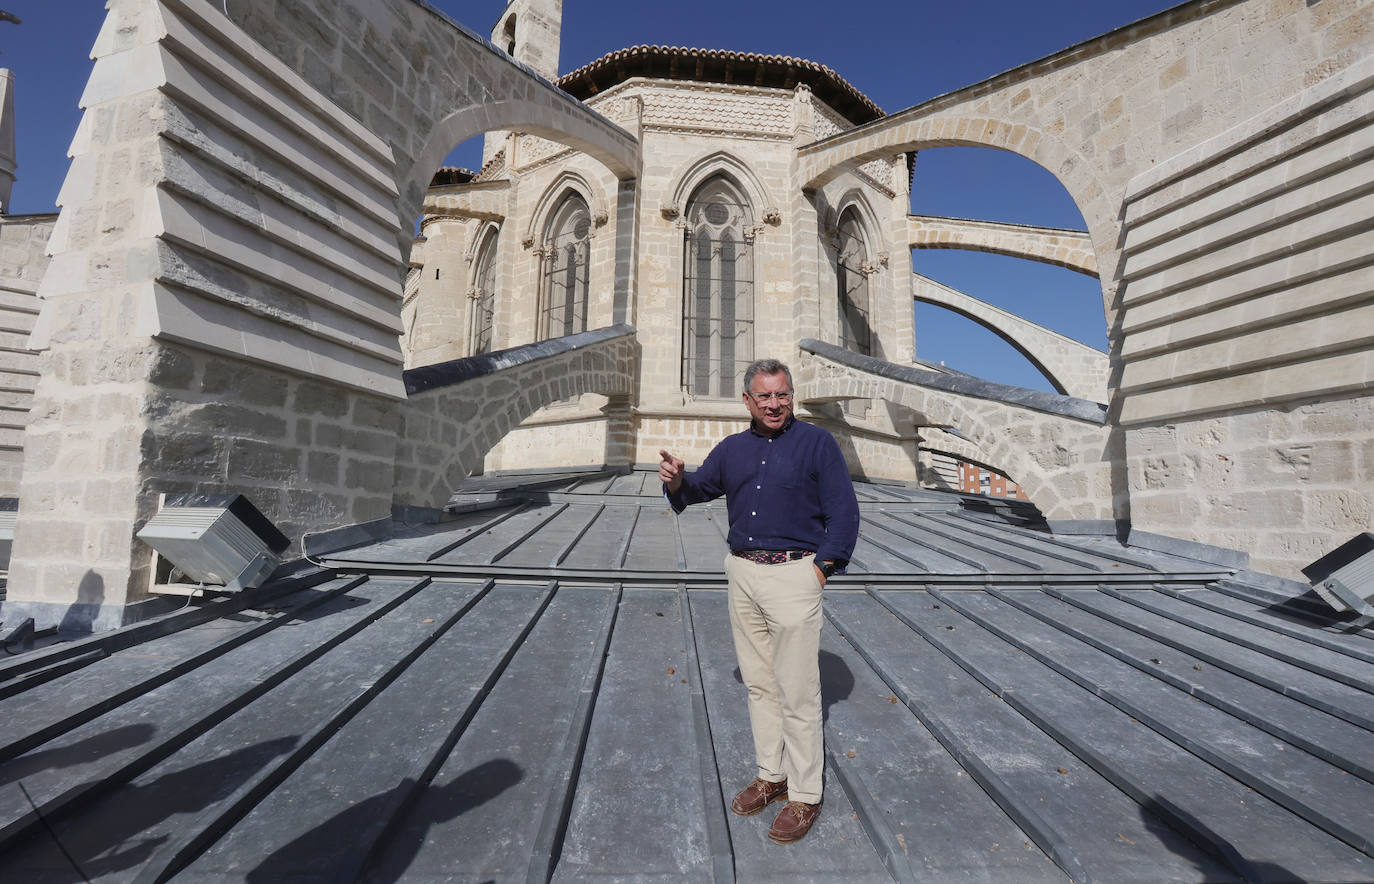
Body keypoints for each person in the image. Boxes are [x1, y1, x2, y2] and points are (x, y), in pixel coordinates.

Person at [659, 358, 860, 845]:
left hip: (795, 574)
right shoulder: (733, 449)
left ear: (792, 396)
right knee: (760, 686)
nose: (775, 404)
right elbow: (702, 488)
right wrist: (676, 481)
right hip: (743, 573)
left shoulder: (817, 444)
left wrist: (821, 570)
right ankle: (773, 774)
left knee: (798, 692)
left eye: (783, 395)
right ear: (747, 400)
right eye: (765, 396)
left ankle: (805, 795)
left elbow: (844, 511)